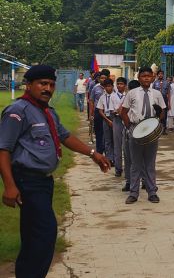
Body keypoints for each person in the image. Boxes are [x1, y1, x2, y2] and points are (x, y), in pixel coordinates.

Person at [0, 65, 110, 278]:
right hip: (28, 181)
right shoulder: (18, 111)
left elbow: (65, 137)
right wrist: (10, 186)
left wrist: (92, 153)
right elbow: (3, 149)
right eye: (42, 83)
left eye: (51, 84)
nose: (47, 88)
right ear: (29, 85)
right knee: (45, 233)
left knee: (35, 235)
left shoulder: (48, 112)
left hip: (44, 183)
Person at [121, 67, 166, 204]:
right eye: (143, 76)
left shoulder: (157, 94)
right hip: (136, 128)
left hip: (151, 130)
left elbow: (162, 112)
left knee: (150, 163)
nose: (146, 78)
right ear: (139, 78)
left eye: (148, 76)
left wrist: (159, 114)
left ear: (153, 77)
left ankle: (152, 191)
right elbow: (124, 112)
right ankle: (134, 192)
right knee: (135, 163)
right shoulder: (132, 93)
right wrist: (130, 127)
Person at [122, 79, 140, 192]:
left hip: (141, 130)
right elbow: (121, 111)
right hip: (129, 129)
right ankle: (129, 181)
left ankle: (143, 181)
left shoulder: (143, 98)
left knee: (140, 158)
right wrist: (128, 127)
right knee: (128, 158)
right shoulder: (127, 98)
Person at [89, 69, 110, 155]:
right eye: (101, 78)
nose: (103, 79)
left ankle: (108, 151)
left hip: (108, 112)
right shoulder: (95, 88)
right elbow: (91, 100)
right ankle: (99, 151)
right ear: (99, 79)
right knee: (99, 132)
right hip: (98, 112)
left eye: (105, 78)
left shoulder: (111, 88)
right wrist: (91, 113)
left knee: (108, 133)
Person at [96, 78, 116, 167]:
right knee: (107, 140)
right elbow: (100, 110)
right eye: (106, 87)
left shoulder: (116, 96)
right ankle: (109, 159)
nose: (108, 88)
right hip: (105, 118)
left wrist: (112, 120)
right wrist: (107, 120)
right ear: (104, 87)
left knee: (115, 140)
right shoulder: (102, 97)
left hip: (115, 118)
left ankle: (116, 159)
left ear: (112, 86)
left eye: (109, 86)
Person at [111, 77, 127, 178]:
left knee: (127, 147)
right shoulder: (113, 96)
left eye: (121, 84)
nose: (119, 86)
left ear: (125, 85)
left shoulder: (128, 95)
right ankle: (118, 168)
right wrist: (118, 111)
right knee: (117, 146)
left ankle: (127, 168)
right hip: (117, 121)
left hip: (126, 121)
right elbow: (112, 110)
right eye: (118, 84)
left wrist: (119, 111)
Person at [152, 70, 171, 135]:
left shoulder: (167, 83)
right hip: (157, 101)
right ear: (157, 75)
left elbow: (168, 93)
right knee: (156, 115)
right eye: (159, 74)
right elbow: (152, 92)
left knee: (164, 115)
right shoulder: (155, 83)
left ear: (163, 75)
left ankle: (164, 129)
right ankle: (156, 129)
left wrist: (169, 103)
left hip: (164, 100)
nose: (160, 75)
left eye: (162, 74)